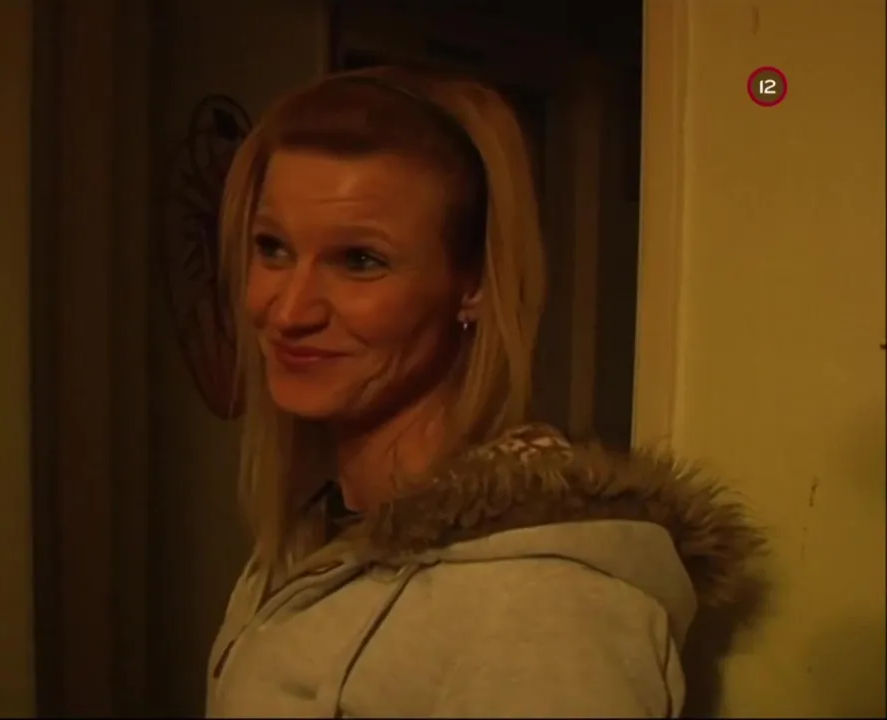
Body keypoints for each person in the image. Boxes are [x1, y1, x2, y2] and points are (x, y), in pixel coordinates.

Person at [205, 66, 764, 718]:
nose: (288, 309)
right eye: (273, 248)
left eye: (360, 261)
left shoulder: (542, 602)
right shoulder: (308, 542)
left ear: (472, 287)